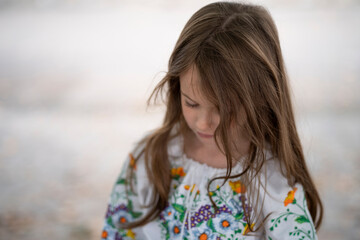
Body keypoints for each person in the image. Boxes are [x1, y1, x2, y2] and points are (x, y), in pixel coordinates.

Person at [101, 1, 323, 239]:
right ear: (177, 88)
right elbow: (117, 231)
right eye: (191, 103)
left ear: (261, 98)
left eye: (225, 110)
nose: (203, 123)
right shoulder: (151, 158)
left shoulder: (274, 183)